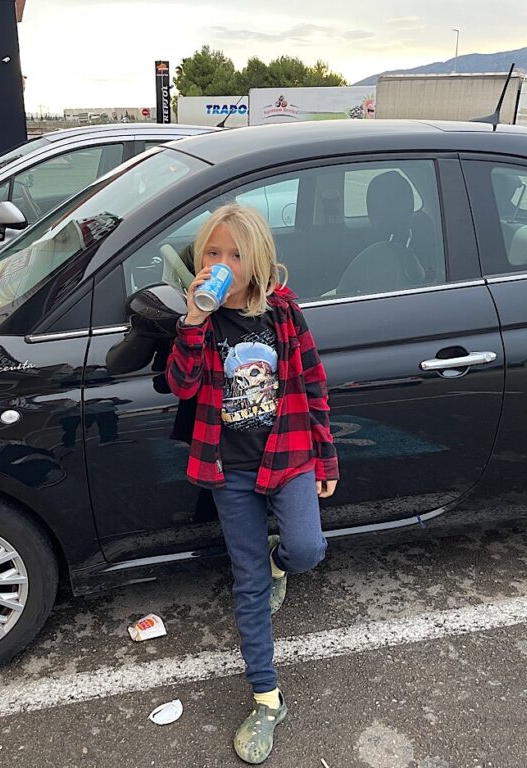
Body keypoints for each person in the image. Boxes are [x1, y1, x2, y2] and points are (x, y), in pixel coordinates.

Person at [165, 203, 338, 764]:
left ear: (259, 259)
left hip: (289, 457)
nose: (223, 264)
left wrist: (326, 460)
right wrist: (192, 320)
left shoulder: (283, 313)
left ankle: (280, 562)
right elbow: (181, 384)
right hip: (229, 470)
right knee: (248, 584)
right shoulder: (203, 319)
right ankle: (267, 699)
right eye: (213, 253)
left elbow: (313, 384)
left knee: (307, 549)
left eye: (236, 255)